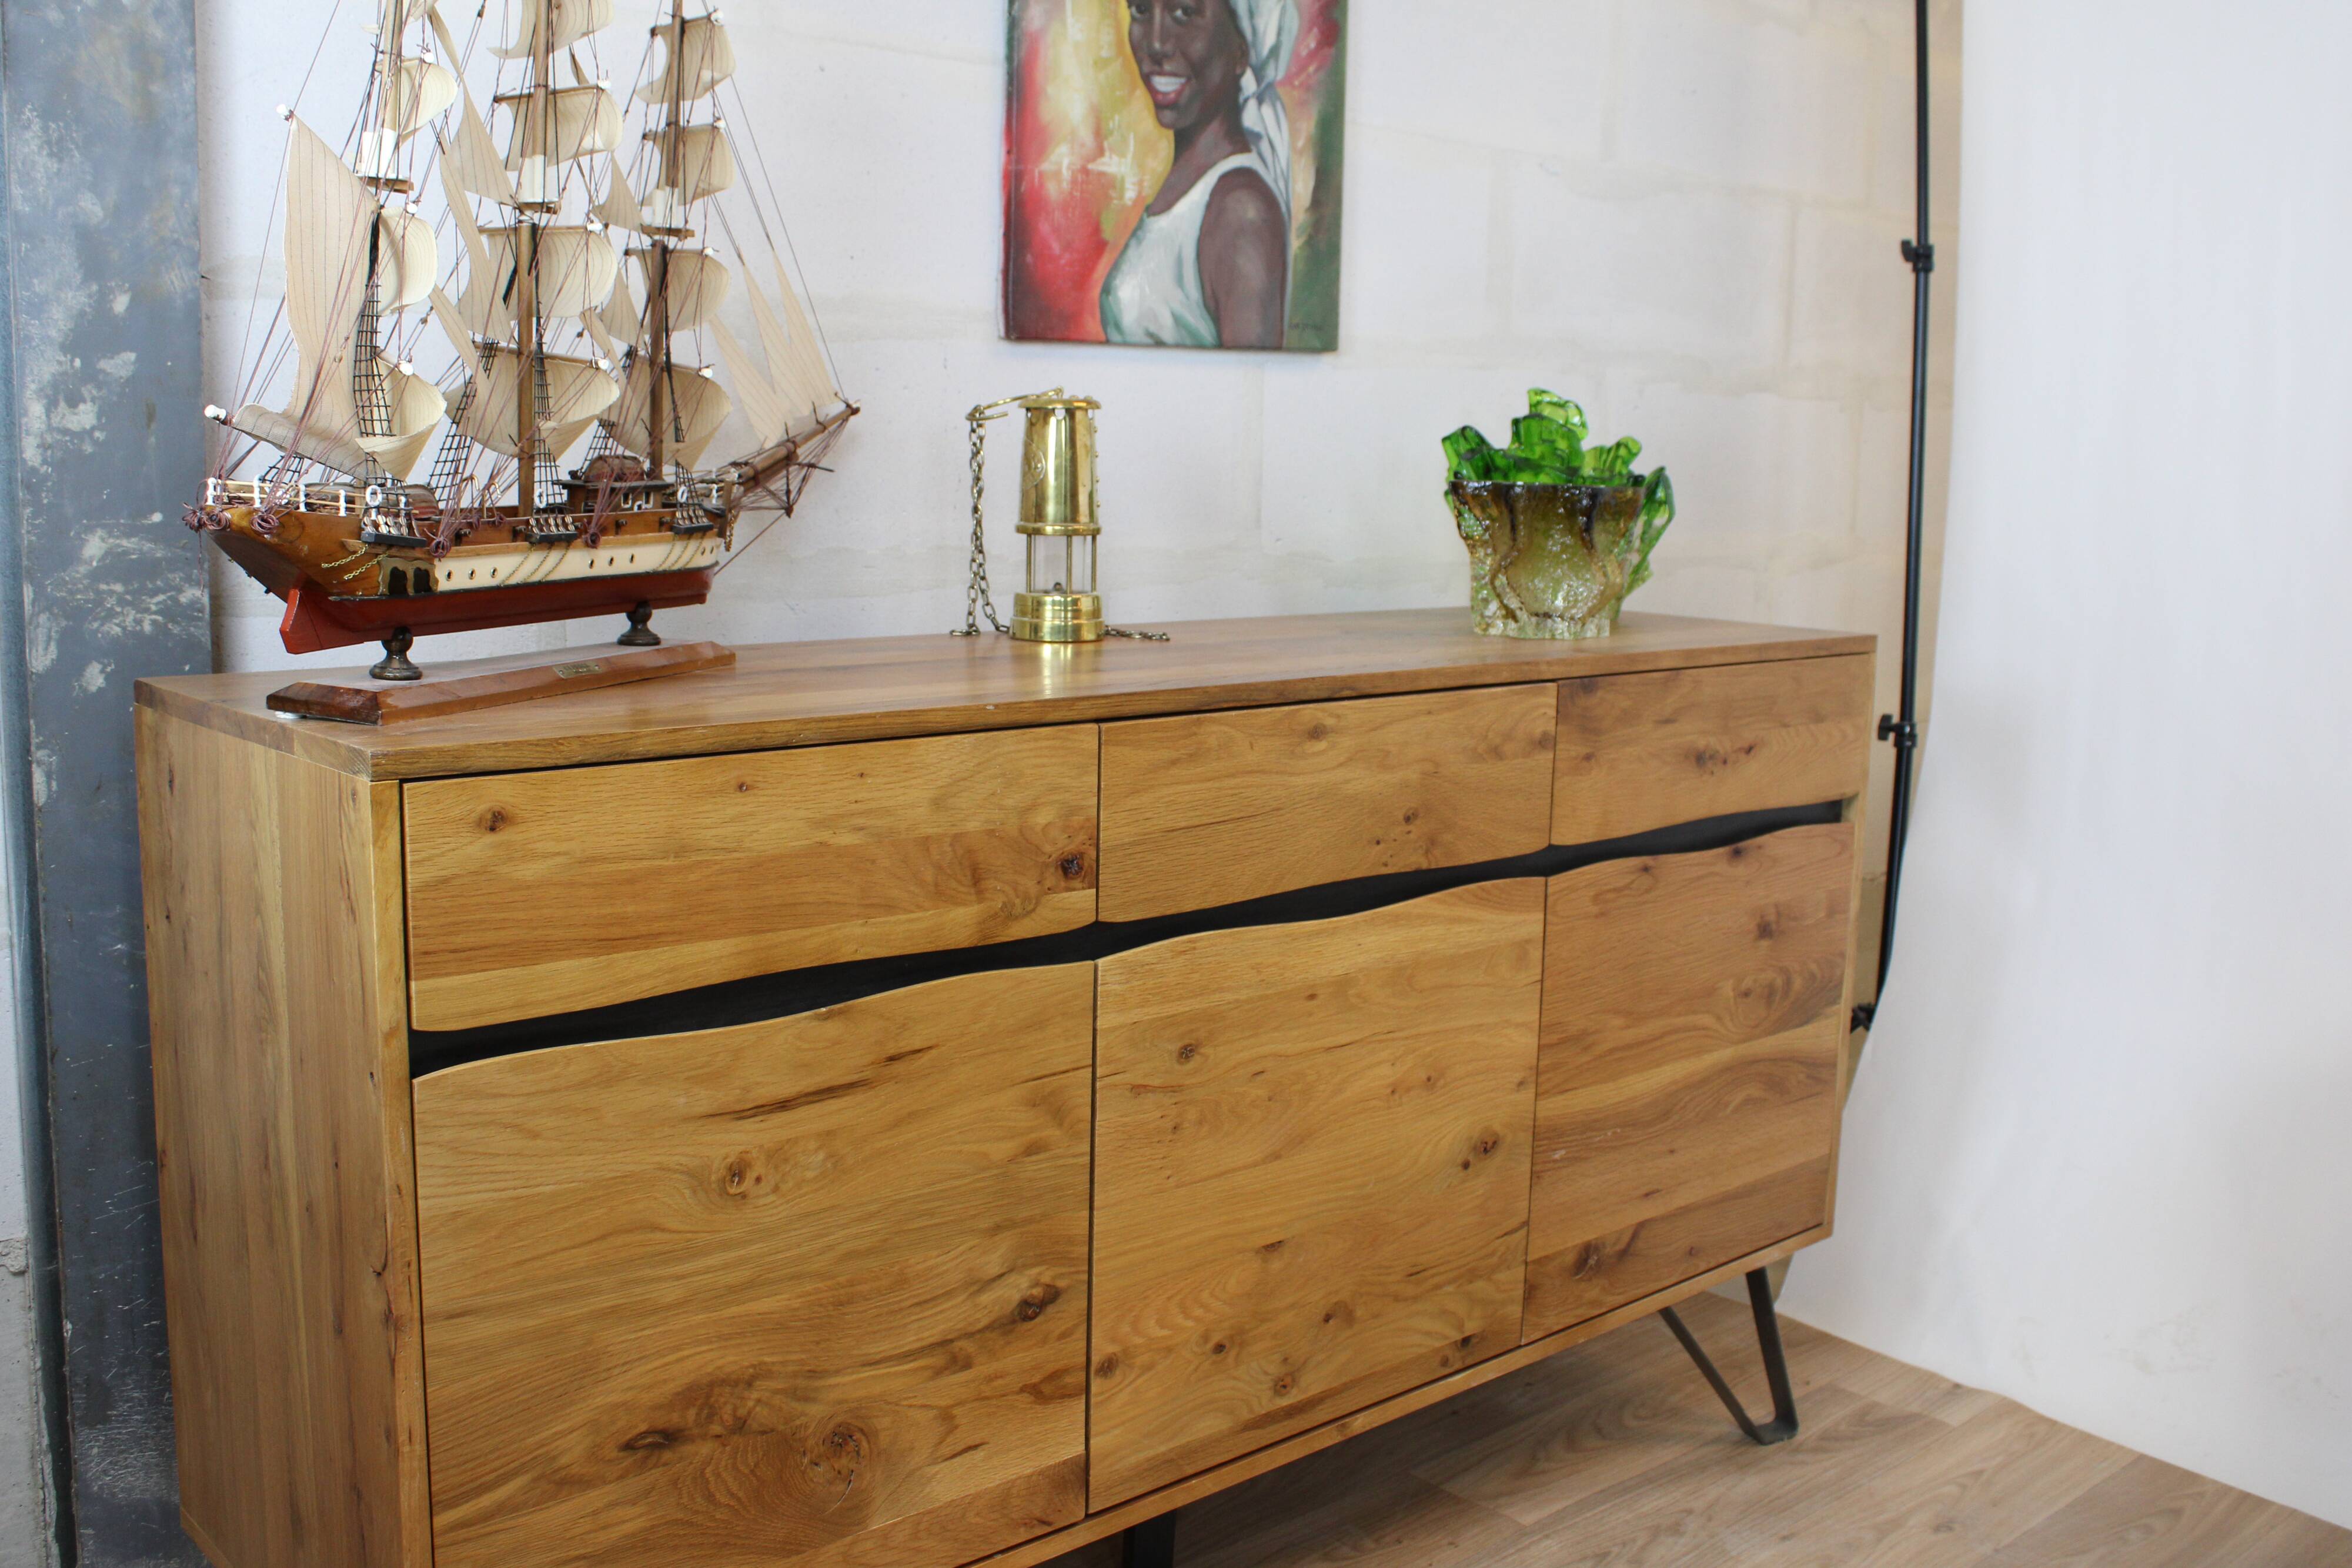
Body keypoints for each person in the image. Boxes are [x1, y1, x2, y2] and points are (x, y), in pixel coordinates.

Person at [1100, 0, 1298, 350]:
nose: (1157, 43)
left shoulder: (1241, 212)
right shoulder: (1193, 187)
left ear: (1241, 51)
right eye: (1141, 10)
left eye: (1184, 13)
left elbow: (1247, 392)